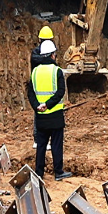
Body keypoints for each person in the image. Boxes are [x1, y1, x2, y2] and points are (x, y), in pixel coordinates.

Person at [27, 39, 72, 181]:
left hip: (41, 116)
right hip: (56, 115)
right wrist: (49, 104)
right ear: (53, 55)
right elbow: (60, 92)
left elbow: (30, 93)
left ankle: (39, 172)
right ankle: (58, 171)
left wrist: (37, 106)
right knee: (56, 144)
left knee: (41, 145)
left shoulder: (34, 72)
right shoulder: (57, 71)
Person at [30, 26, 55, 151]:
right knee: (44, 113)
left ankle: (40, 139)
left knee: (40, 113)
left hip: (41, 87)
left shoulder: (36, 53)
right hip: (43, 86)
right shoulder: (38, 54)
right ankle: (40, 139)